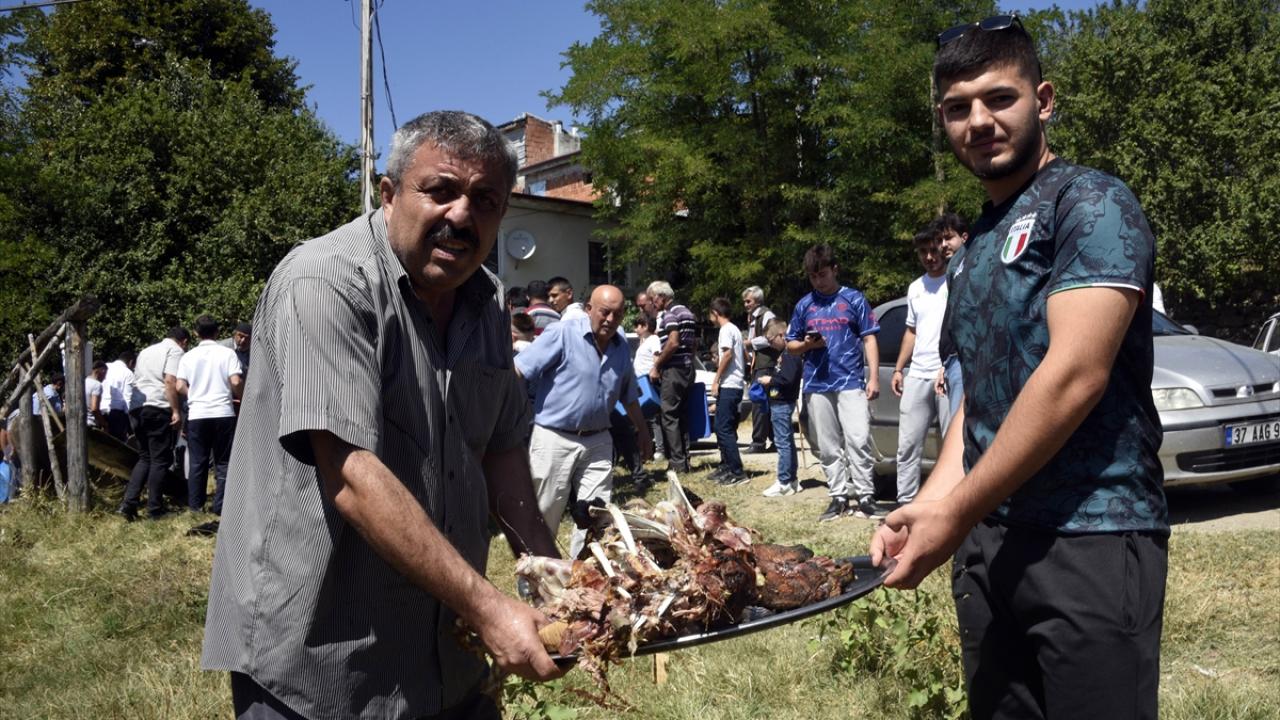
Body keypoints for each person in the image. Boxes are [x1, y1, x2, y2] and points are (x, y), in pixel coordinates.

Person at [201, 110, 563, 720]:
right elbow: (350, 476)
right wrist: (489, 608)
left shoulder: (488, 298)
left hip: (450, 660)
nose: (461, 215)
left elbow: (501, 454)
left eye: (485, 199)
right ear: (388, 193)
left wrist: (557, 584)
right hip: (325, 667)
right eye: (441, 191)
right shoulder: (325, 280)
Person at [871, 17, 1167, 720]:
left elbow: (1074, 375)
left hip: (1091, 534)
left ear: (1044, 98)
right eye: (957, 108)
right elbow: (982, 394)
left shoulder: (1090, 203)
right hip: (992, 544)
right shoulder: (972, 246)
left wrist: (956, 512)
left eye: (999, 99)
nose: (979, 121)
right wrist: (934, 511)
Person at [516, 285, 653, 557]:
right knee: (545, 511)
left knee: (595, 514)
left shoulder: (621, 346)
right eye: (604, 312)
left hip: (599, 440)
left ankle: (583, 576)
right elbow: (519, 369)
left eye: (617, 314)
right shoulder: (563, 334)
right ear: (589, 309)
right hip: (554, 437)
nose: (610, 320)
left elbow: (629, 396)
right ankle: (534, 580)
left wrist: (643, 431)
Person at [785, 243, 882, 522]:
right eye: (813, 276)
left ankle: (865, 496)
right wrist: (805, 345)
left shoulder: (854, 299)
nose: (819, 281)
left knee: (859, 438)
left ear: (834, 269)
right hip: (817, 383)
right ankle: (838, 496)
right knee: (827, 445)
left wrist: (874, 376)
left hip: (850, 380)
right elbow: (790, 345)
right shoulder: (805, 305)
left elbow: (869, 337)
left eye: (823, 274)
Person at [889, 228, 950, 506]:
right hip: (918, 372)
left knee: (951, 443)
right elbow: (911, 331)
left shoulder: (956, 281)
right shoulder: (916, 287)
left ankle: (951, 501)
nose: (929, 257)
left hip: (947, 371)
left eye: (933, 250)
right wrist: (900, 368)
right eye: (923, 252)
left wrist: (950, 363)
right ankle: (906, 502)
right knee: (908, 445)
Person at [120, 327, 189, 520]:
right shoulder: (175, 350)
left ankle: (129, 503)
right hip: (157, 406)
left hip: (137, 407)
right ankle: (155, 508)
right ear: (183, 341)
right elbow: (169, 381)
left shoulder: (146, 351)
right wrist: (176, 410)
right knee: (160, 459)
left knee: (145, 458)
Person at [177, 315, 244, 515]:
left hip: (198, 413)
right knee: (223, 462)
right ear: (217, 333)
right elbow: (235, 382)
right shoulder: (228, 354)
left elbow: (180, 385)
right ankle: (220, 506)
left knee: (198, 461)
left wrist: (196, 395)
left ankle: (196, 506)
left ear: (196, 333)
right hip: (223, 411)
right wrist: (242, 397)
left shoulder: (187, 356)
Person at [646, 280, 698, 474]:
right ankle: (685, 460)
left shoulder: (669, 315)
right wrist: (688, 361)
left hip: (673, 370)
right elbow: (692, 344)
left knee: (669, 415)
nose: (653, 303)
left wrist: (657, 365)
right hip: (686, 369)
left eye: (653, 299)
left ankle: (676, 463)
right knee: (682, 415)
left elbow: (673, 342)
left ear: (661, 296)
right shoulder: (687, 313)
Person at [930, 212, 970, 426]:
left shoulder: (969, 264)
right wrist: (945, 366)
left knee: (960, 429)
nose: (943, 245)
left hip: (965, 361)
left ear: (964, 237)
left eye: (949, 238)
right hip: (953, 361)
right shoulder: (955, 269)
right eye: (939, 240)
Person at [758, 319, 802, 497]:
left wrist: (771, 380)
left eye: (770, 339)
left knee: (782, 443)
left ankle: (783, 481)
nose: (769, 343)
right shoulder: (784, 352)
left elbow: (789, 378)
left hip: (783, 402)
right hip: (779, 401)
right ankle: (792, 479)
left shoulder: (790, 353)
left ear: (781, 335)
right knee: (787, 441)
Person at [707, 297, 747, 485]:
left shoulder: (725, 330)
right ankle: (727, 467)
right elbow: (743, 355)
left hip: (730, 384)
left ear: (715, 313)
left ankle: (737, 472)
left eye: (710, 314)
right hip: (733, 384)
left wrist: (716, 379)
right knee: (723, 427)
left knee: (723, 428)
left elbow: (728, 355)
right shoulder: (735, 329)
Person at [742, 286, 777, 453]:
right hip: (757, 365)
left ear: (757, 300)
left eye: (748, 301)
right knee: (764, 404)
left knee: (759, 402)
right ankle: (774, 440)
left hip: (767, 365)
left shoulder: (767, 315)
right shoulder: (752, 317)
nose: (745, 304)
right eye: (745, 301)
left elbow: (772, 337)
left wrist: (749, 343)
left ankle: (758, 443)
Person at [631, 314, 664, 461]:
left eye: (638, 325)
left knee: (654, 416)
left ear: (646, 326)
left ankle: (660, 449)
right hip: (640, 381)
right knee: (643, 415)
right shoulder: (643, 341)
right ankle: (647, 447)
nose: (636, 329)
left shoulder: (654, 339)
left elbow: (656, 356)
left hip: (649, 380)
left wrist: (655, 371)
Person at [103, 351, 137, 441]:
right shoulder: (128, 373)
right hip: (116, 414)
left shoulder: (106, 366)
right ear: (131, 362)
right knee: (116, 444)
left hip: (100, 410)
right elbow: (128, 398)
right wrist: (130, 422)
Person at [85, 361, 108, 428]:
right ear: (101, 371)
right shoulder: (97, 385)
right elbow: (94, 408)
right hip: (91, 423)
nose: (105, 378)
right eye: (105, 374)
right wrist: (104, 423)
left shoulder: (83, 382)